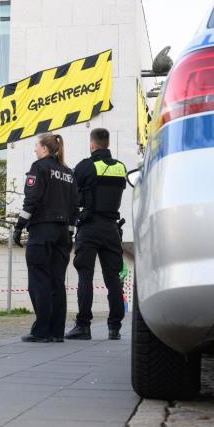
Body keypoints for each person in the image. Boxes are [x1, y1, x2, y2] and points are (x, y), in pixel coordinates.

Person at [13, 133, 77, 343]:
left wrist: (19, 227)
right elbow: (74, 207)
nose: (34, 150)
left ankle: (41, 331)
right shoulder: (68, 172)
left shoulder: (39, 167)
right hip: (62, 234)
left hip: (42, 230)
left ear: (44, 149)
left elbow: (32, 199)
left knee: (39, 280)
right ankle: (57, 332)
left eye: (36, 146)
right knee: (57, 281)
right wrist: (69, 232)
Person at [65, 128, 128, 341]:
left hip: (90, 227)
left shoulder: (85, 166)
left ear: (92, 145)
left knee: (85, 276)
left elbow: (73, 195)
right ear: (107, 143)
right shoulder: (121, 168)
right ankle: (115, 328)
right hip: (112, 228)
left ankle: (83, 326)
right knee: (113, 279)